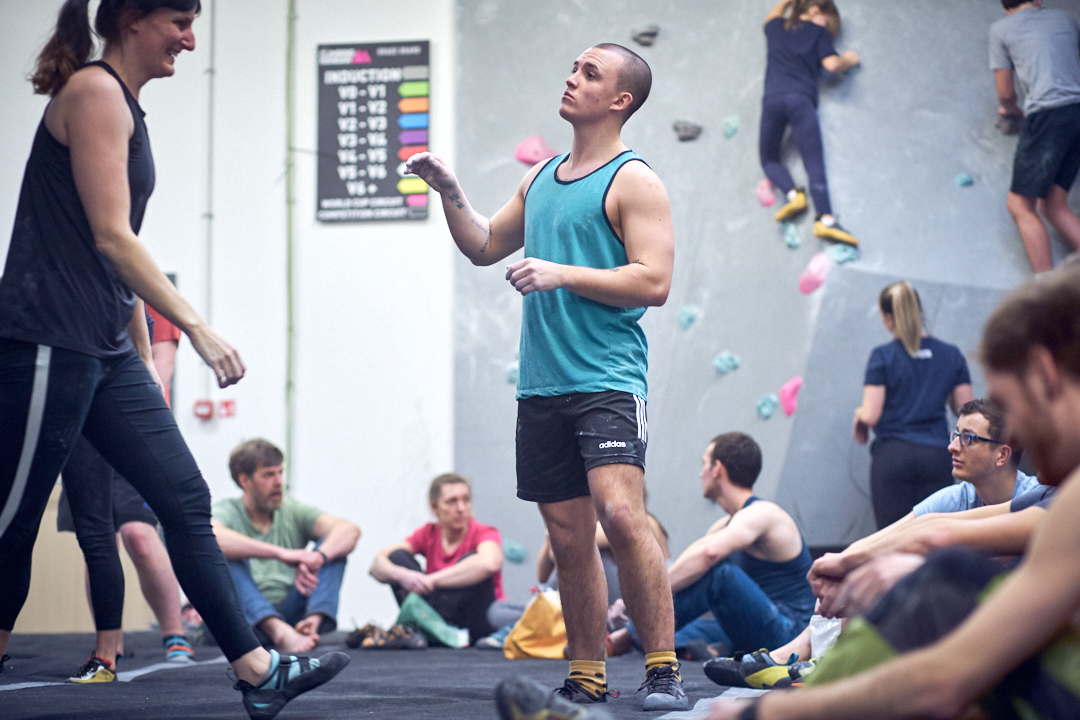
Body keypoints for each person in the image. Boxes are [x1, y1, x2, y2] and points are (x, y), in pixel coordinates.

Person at [0, 2, 346, 716]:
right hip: (44, 341)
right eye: (179, 22)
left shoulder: (126, 106)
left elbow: (118, 253)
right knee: (14, 520)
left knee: (184, 501)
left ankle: (256, 671)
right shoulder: (94, 91)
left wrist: (133, 361)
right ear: (131, 20)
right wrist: (196, 329)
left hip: (101, 350)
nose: (191, 39)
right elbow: (111, 238)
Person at [406, 42, 683, 710]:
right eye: (573, 67)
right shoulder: (540, 178)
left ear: (620, 100)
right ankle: (586, 673)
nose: (571, 77)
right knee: (566, 537)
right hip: (543, 384)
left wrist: (559, 272)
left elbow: (656, 281)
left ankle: (664, 671)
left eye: (590, 73)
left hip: (609, 378)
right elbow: (481, 245)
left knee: (620, 513)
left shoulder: (634, 180)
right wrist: (449, 192)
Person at [699, 262, 1080, 720]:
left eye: (1010, 407)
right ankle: (809, 668)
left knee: (943, 584)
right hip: (920, 466)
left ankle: (805, 680)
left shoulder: (1063, 499)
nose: (1013, 432)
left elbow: (936, 542)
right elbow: (934, 527)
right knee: (940, 581)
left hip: (896, 456)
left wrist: (757, 716)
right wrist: (851, 560)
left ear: (1045, 373)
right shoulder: (1044, 494)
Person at [707, 399, 1042, 687]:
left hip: (1011, 630)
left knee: (912, 575)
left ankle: (818, 662)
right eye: (955, 435)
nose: (952, 446)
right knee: (875, 564)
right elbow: (893, 535)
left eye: (967, 438)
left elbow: (932, 536)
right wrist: (841, 565)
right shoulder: (960, 496)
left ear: (1002, 455)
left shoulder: (1036, 499)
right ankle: (795, 656)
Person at [606, 433, 815, 660]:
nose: (700, 473)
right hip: (755, 624)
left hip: (790, 634)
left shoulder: (765, 514)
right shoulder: (724, 526)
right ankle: (682, 645)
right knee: (681, 627)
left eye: (704, 464)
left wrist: (635, 598)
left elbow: (708, 554)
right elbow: (693, 572)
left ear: (717, 469)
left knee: (717, 572)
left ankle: (626, 638)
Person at [209, 440, 360, 653]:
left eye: (280, 472)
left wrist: (319, 557)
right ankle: (276, 630)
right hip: (238, 618)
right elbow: (210, 537)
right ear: (245, 480)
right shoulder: (227, 510)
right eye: (268, 475)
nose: (279, 481)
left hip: (289, 612)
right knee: (219, 556)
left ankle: (312, 623)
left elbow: (349, 530)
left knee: (333, 549)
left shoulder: (291, 510)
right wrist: (280, 554)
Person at [854, 281, 974, 528]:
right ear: (919, 312)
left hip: (893, 457)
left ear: (888, 318)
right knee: (931, 538)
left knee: (891, 542)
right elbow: (967, 411)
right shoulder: (951, 354)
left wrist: (859, 416)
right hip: (937, 456)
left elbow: (871, 414)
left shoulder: (883, 356)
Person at [370, 473, 519, 645]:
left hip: (475, 620)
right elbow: (377, 564)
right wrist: (403, 576)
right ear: (434, 507)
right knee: (397, 557)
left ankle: (426, 628)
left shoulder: (484, 532)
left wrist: (431, 580)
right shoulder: (428, 533)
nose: (461, 508)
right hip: (439, 611)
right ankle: (433, 628)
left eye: (466, 500)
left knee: (473, 561)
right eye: (452, 501)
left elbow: (490, 562)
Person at [760, 0, 861, 247]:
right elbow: (831, 65)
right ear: (815, 10)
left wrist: (786, 2)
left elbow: (769, 19)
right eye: (827, 21)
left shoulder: (777, 27)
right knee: (814, 162)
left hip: (772, 100)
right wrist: (848, 58)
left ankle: (793, 194)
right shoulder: (819, 33)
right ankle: (825, 220)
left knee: (768, 159)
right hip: (800, 100)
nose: (827, 27)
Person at [990, 0, 1080, 273]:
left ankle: (1044, 293)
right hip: (1077, 112)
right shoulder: (1065, 19)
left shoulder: (1001, 29)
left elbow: (1005, 93)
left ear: (1006, 8)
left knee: (1019, 204)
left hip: (1048, 114)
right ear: (1038, 0)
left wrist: (1010, 110)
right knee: (1053, 204)